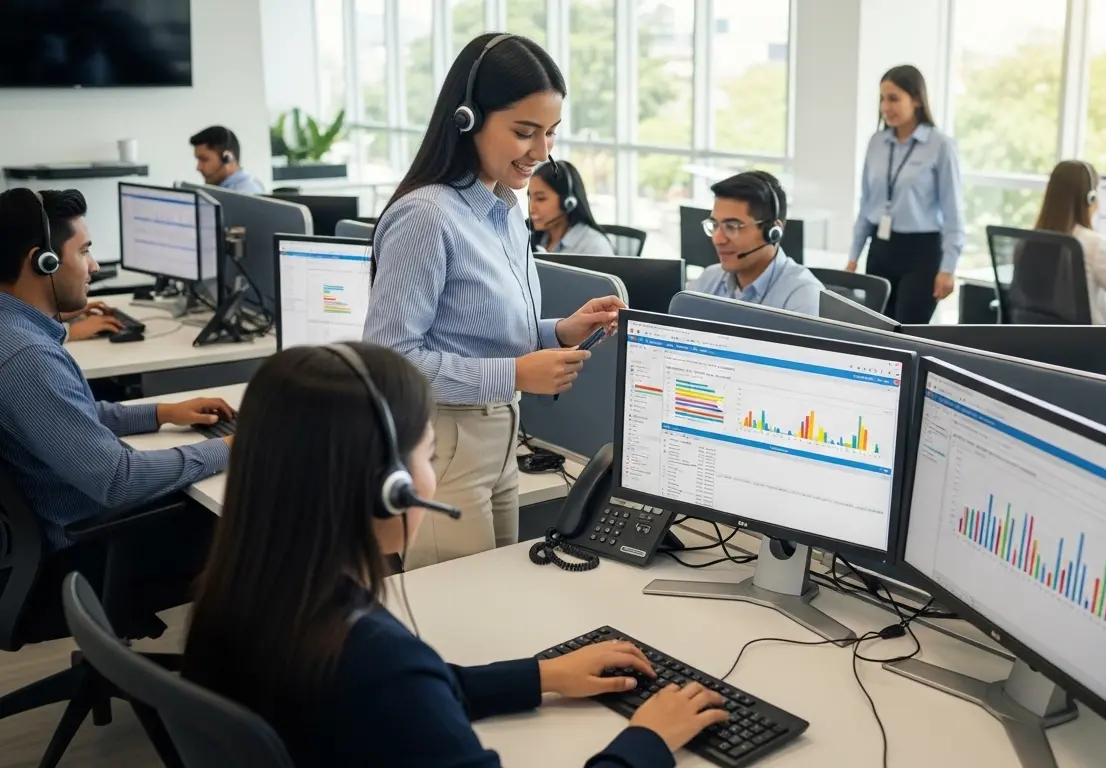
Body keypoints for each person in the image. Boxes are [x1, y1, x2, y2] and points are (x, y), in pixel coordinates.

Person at [182, 343, 729, 768]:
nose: (432, 471)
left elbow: (409, 695)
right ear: (388, 488)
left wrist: (541, 675)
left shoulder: (247, 590)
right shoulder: (376, 659)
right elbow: (399, 687)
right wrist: (646, 741)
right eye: (430, 453)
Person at [364, 33, 624, 567]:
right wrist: (514, 374)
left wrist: (557, 331)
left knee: (497, 596)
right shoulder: (427, 216)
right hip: (444, 444)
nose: (542, 152)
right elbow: (390, 363)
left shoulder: (504, 205)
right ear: (466, 119)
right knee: (457, 619)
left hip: (501, 439)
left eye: (551, 133)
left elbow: (477, 330)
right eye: (525, 132)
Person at [0, 188, 234, 635]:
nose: (95, 267)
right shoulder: (26, 356)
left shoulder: (11, 332)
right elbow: (117, 479)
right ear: (42, 261)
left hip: (46, 543)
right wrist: (232, 446)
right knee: (265, 526)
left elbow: (67, 416)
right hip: (79, 555)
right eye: (84, 251)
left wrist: (162, 411)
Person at [847, 65, 965, 324]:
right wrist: (853, 257)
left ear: (917, 100)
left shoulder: (940, 146)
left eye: (894, 98)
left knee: (908, 334)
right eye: (882, 99)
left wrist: (948, 268)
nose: (885, 107)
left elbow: (953, 212)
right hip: (880, 250)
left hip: (921, 253)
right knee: (877, 333)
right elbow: (867, 204)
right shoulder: (876, 143)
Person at [686, 170, 823, 316]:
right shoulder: (708, 280)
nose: (717, 239)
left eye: (732, 227)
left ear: (772, 231)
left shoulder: (803, 299)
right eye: (714, 225)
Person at [1033, 160, 1106, 326]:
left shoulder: (1028, 241)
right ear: (1090, 198)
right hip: (1085, 347)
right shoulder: (1095, 245)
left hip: (1033, 345)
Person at [530, 159, 615, 255]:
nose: (531, 208)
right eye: (530, 198)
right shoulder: (535, 241)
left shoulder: (594, 247)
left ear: (568, 202)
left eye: (540, 199)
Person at [190, 126, 265, 194]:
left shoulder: (246, 193)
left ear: (227, 158)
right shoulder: (219, 191)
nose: (198, 168)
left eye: (204, 160)